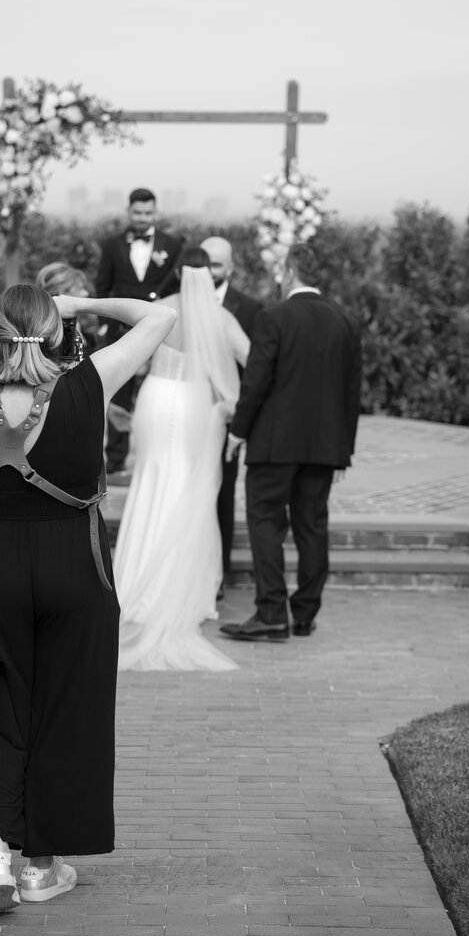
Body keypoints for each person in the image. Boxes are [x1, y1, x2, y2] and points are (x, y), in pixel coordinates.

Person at [0, 282, 176, 913]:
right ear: (53, 331)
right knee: (65, 710)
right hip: (76, 567)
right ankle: (40, 869)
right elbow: (162, 316)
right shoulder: (87, 385)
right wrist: (83, 306)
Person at [114, 248, 250, 671]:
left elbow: (129, 356)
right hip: (194, 403)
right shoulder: (221, 318)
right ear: (208, 276)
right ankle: (183, 586)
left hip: (157, 398)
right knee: (188, 486)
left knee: (152, 479)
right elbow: (254, 360)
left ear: (176, 272)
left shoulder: (161, 310)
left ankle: (137, 582)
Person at [220, 244, 361, 642]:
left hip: (275, 444)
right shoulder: (346, 321)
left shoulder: (273, 317)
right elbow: (352, 392)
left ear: (289, 272)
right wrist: (344, 451)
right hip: (325, 446)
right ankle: (304, 615)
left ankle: (271, 613)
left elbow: (256, 382)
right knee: (312, 525)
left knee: (265, 520)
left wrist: (238, 431)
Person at [95, 188, 183, 474]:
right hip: (120, 330)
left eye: (148, 212)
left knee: (156, 392)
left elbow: (176, 288)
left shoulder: (174, 245)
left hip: (161, 331)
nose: (143, 218)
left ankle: (155, 458)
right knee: (119, 392)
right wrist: (104, 324)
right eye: (138, 212)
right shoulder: (112, 245)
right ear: (129, 211)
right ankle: (116, 460)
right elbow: (103, 285)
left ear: (155, 212)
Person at [199, 236, 263, 591]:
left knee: (222, 493)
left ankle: (218, 574)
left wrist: (241, 414)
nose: (210, 271)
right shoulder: (177, 304)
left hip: (226, 416)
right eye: (205, 263)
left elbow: (255, 368)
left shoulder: (250, 309)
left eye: (217, 265)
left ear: (231, 267)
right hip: (187, 412)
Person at [36, 261, 100, 357]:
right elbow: (75, 363)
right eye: (80, 288)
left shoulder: (77, 326)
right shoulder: (59, 334)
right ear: (62, 293)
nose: (86, 293)